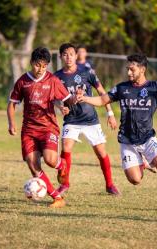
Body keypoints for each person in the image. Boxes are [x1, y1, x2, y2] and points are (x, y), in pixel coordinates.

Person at [77, 53, 157, 212]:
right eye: (127, 69)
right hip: (127, 141)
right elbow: (103, 100)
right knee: (135, 180)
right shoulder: (122, 88)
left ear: (142, 69)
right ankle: (144, 162)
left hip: (147, 137)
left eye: (132, 69)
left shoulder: (155, 87)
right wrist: (85, 98)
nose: (129, 73)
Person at [7, 47, 76, 208]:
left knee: (51, 160)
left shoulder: (52, 80)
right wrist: (11, 123)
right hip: (29, 130)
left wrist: (67, 104)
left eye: (44, 66)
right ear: (32, 63)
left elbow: (64, 99)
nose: (41, 69)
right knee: (33, 164)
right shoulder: (23, 81)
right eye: (38, 65)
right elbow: (12, 105)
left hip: (48, 128)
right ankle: (57, 198)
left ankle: (62, 165)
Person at [54, 43, 120, 196]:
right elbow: (54, 99)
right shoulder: (57, 77)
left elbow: (102, 92)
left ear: (76, 55)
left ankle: (109, 185)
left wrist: (110, 114)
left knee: (101, 152)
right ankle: (65, 184)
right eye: (65, 54)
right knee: (66, 147)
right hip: (71, 120)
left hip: (90, 119)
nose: (68, 57)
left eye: (71, 54)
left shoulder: (87, 72)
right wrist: (60, 107)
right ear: (60, 57)